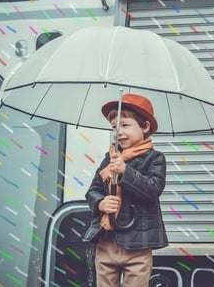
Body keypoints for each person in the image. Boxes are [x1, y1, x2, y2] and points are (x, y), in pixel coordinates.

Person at [83, 93, 168, 286]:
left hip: (138, 242)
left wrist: (125, 172)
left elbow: (153, 189)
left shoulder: (154, 158)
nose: (118, 132)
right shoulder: (110, 158)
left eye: (125, 125)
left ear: (145, 127)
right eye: (114, 127)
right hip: (107, 240)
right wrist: (101, 203)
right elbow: (93, 190)